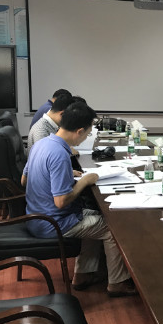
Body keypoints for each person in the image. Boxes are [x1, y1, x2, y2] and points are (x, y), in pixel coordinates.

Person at [21, 101, 137, 297]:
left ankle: (83, 275)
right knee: (112, 228)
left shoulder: (42, 144)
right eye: (87, 134)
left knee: (97, 217)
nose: (85, 138)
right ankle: (117, 283)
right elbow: (60, 202)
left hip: (35, 215)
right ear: (79, 131)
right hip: (53, 222)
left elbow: (24, 180)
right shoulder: (59, 153)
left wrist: (64, 174)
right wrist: (83, 181)